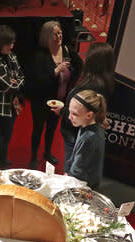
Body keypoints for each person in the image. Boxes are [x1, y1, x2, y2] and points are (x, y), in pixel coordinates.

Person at [51, 42, 115, 173]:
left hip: (74, 133)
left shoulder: (91, 85)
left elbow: (80, 113)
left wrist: (63, 111)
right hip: (78, 132)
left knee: (72, 167)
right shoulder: (105, 81)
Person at [28, 21, 82, 169]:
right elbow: (39, 80)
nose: (59, 36)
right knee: (38, 129)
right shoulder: (40, 56)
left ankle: (47, 152)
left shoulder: (66, 50)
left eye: (60, 33)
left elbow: (79, 65)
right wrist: (56, 71)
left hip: (60, 100)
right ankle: (33, 157)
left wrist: (71, 78)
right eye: (55, 34)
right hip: (41, 101)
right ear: (46, 36)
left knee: (52, 128)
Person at [0, 25, 24, 169]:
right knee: (3, 134)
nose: (12, 46)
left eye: (12, 42)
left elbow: (21, 76)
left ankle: (2, 159)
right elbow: (10, 87)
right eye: (9, 44)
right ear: (0, 44)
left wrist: (16, 81)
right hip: (0, 107)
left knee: (7, 135)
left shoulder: (11, 56)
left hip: (13, 104)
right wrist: (15, 82)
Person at [66, 89, 107, 189]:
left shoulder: (89, 137)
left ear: (89, 115)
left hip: (84, 186)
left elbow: (78, 172)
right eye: (69, 112)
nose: (69, 117)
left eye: (74, 114)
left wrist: (68, 177)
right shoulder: (88, 126)